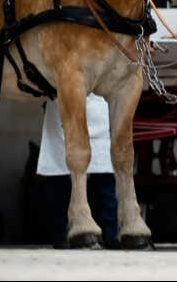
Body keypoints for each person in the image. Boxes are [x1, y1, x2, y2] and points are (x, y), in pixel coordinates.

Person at [37, 95, 119, 249]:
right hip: (62, 109)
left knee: (103, 180)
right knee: (60, 176)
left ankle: (111, 234)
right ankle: (60, 234)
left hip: (96, 110)